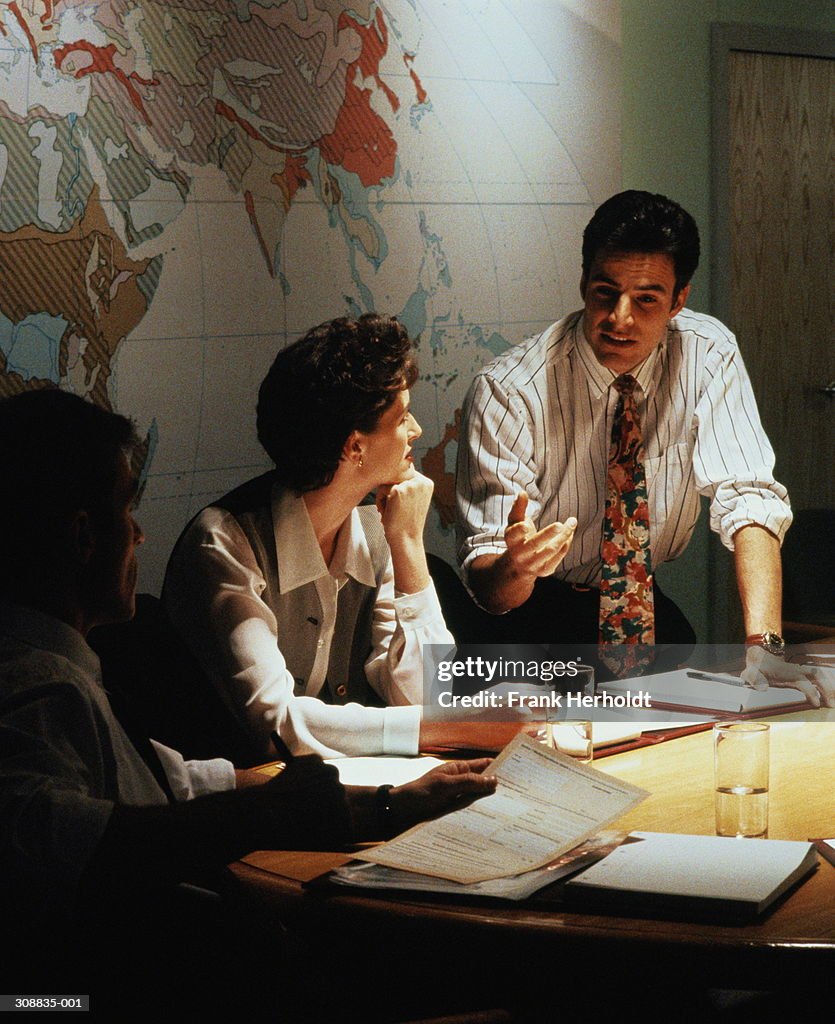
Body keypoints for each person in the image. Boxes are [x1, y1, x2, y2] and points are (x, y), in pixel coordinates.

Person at [0, 389, 496, 1012]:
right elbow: (65, 844)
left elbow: (170, 780)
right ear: (82, 537)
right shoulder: (38, 687)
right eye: (126, 511)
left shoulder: (59, 673)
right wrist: (277, 812)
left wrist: (390, 802)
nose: (139, 534)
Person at [456, 190, 834, 704]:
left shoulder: (708, 352)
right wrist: (516, 566)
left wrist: (764, 645)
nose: (620, 319)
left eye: (647, 299)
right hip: (528, 628)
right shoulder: (509, 390)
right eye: (604, 293)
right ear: (583, 283)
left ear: (679, 299)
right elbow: (489, 588)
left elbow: (749, 499)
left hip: (640, 614)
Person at [164, 314, 524, 763]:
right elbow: (275, 724)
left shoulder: (378, 527)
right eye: (402, 417)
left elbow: (427, 696)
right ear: (354, 446)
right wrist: (454, 726)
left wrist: (409, 547)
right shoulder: (225, 543)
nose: (415, 431)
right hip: (240, 813)